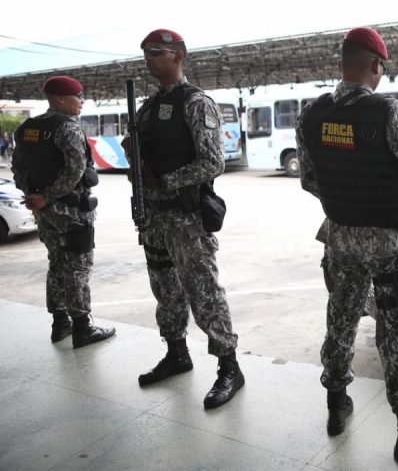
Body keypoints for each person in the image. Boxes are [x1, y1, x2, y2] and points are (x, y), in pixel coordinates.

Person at [296, 27, 398, 461]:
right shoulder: (391, 112)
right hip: (389, 239)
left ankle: (336, 404)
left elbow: (310, 179)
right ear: (375, 65)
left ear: (341, 63)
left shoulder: (311, 116)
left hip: (341, 237)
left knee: (341, 319)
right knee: (396, 335)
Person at [127, 28, 244, 410]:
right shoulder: (146, 108)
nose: (148, 57)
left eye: (155, 51)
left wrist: (164, 181)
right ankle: (177, 352)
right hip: (155, 219)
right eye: (145, 52)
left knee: (204, 292)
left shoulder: (195, 103)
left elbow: (213, 162)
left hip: (186, 217)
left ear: (178, 56)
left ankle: (229, 367)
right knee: (166, 290)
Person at [11, 76, 116, 347]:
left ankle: (60, 324)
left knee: (56, 263)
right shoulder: (68, 129)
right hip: (70, 210)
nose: (82, 100)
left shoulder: (27, 129)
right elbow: (75, 171)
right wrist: (46, 197)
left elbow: (18, 169)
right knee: (78, 267)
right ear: (59, 99)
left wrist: (33, 196)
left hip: (45, 213)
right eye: (78, 95)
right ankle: (83, 327)